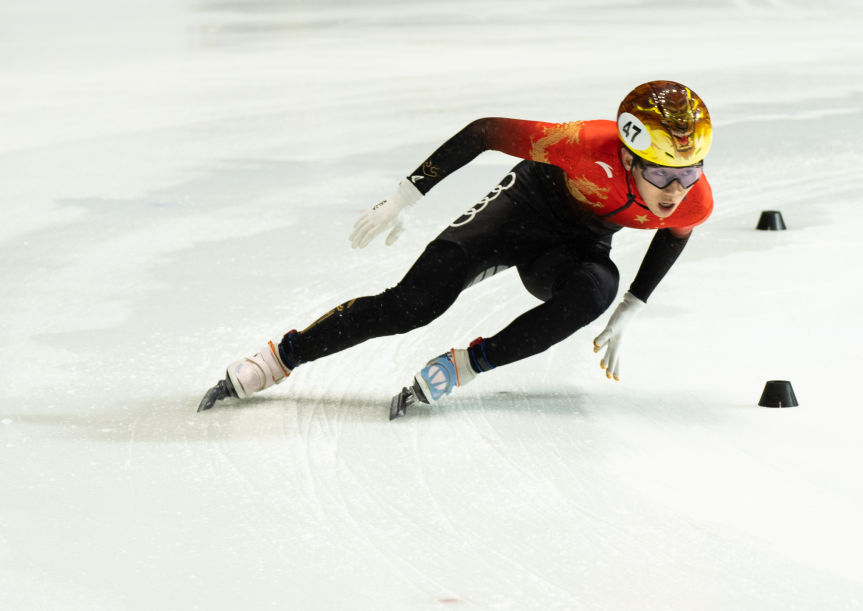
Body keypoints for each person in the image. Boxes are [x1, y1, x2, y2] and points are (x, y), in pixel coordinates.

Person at [197, 80, 714, 418]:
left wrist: (632, 305)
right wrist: (404, 196)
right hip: (521, 209)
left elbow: (676, 233)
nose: (675, 191)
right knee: (412, 305)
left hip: (572, 249)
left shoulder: (693, 198)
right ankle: (279, 358)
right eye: (661, 175)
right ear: (628, 157)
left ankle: (467, 365)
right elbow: (485, 132)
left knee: (597, 290)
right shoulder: (580, 143)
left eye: (689, 173)